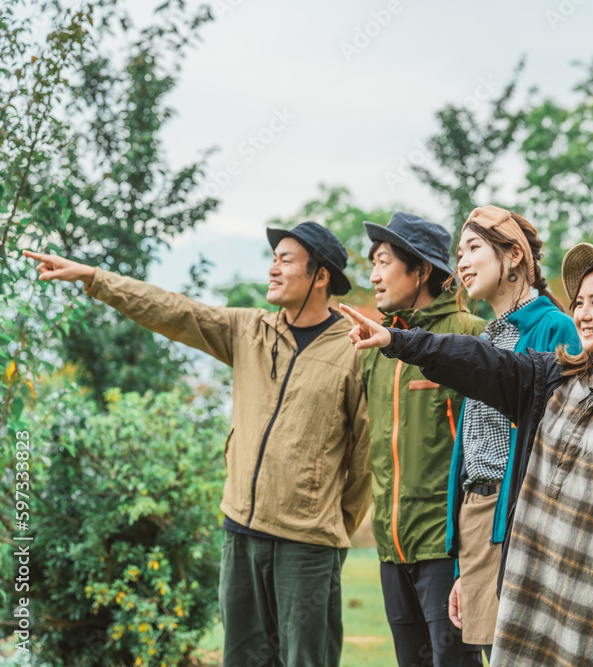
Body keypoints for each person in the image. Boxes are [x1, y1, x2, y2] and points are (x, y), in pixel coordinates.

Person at [24, 221, 371, 667]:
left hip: (308, 546)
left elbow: (366, 456)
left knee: (307, 659)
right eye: (273, 258)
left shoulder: (354, 351)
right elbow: (173, 310)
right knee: (241, 657)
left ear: (320, 276)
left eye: (285, 260)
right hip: (240, 533)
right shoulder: (249, 331)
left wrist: (330, 522)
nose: (273, 269)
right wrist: (95, 278)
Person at [338, 243, 593, 666]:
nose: (581, 313)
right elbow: (478, 360)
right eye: (579, 301)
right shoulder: (552, 378)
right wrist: (399, 341)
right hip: (536, 586)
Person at [444, 205, 580, 659]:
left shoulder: (557, 327)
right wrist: (464, 566)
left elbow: (568, 441)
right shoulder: (486, 338)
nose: (461, 262)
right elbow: (472, 449)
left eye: (474, 248)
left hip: (524, 519)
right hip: (478, 514)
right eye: (459, 252)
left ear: (515, 256)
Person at [361, 212, 485, 667]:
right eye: (372, 263)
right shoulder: (372, 347)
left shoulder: (469, 334)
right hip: (390, 545)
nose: (374, 275)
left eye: (384, 261)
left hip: (445, 545)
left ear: (422, 271)